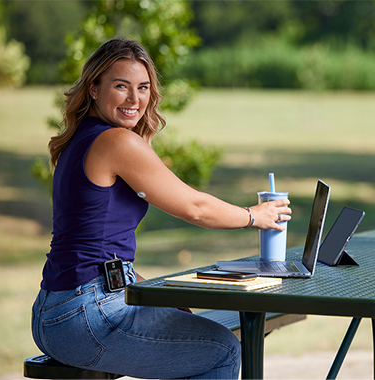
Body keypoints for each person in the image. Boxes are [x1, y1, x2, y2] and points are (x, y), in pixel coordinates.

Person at [31, 37, 292, 379]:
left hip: (58, 312)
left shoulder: (83, 138)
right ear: (93, 88)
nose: (134, 99)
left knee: (203, 337)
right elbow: (194, 207)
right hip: (86, 317)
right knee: (222, 349)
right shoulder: (116, 141)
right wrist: (253, 216)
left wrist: (147, 289)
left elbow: (96, 245)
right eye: (120, 86)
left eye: (142, 88)